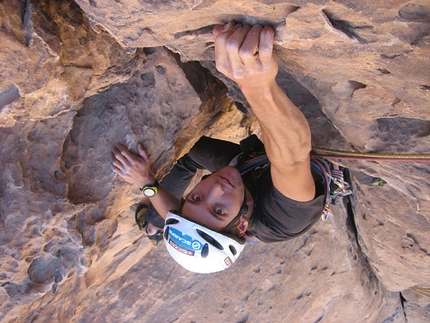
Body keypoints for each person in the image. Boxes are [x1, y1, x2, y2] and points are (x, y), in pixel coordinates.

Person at [111, 21, 327, 273]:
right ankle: (155, 224)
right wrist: (256, 86)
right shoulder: (284, 219)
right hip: (270, 169)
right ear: (243, 226)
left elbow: (175, 209)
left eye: (196, 197)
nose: (215, 188)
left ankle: (154, 224)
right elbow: (291, 159)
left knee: (191, 152)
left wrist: (146, 183)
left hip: (246, 169)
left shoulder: (222, 192)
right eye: (219, 210)